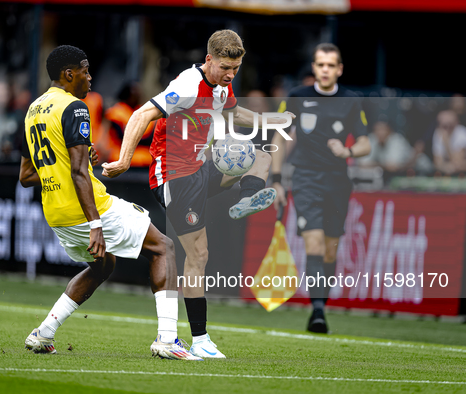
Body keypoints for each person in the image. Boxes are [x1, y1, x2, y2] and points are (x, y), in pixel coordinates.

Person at [102, 30, 292, 358]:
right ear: (208, 60)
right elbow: (141, 114)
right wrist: (123, 159)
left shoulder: (222, 85)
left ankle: (247, 198)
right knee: (199, 254)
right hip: (174, 177)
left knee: (260, 155)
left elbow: (232, 113)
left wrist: (267, 120)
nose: (230, 75)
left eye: (235, 69)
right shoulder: (187, 86)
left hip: (200, 169)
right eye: (224, 68)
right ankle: (200, 340)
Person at [20, 45, 200, 361]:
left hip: (56, 212)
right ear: (68, 74)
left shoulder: (33, 110)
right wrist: (95, 224)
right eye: (86, 71)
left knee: (104, 264)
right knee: (163, 247)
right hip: (86, 209)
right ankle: (168, 340)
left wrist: (72, 164)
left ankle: (43, 333)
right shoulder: (74, 108)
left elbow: (26, 175)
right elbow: (77, 171)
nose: (90, 78)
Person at [271, 43, 371, 334]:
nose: (325, 69)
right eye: (320, 64)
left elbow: (366, 144)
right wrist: (277, 179)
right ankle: (317, 312)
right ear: (314, 68)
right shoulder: (296, 97)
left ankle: (320, 304)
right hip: (305, 179)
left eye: (330, 65)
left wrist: (347, 150)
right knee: (313, 242)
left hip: (338, 182)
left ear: (339, 69)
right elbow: (279, 137)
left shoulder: (352, 101)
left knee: (329, 251)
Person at [432, 110, 466, 175]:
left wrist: (446, 143)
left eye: (450, 125)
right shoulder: (438, 133)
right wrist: (447, 167)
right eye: (444, 126)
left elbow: (457, 162)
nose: (447, 129)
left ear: (456, 123)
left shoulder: (462, 133)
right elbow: (437, 163)